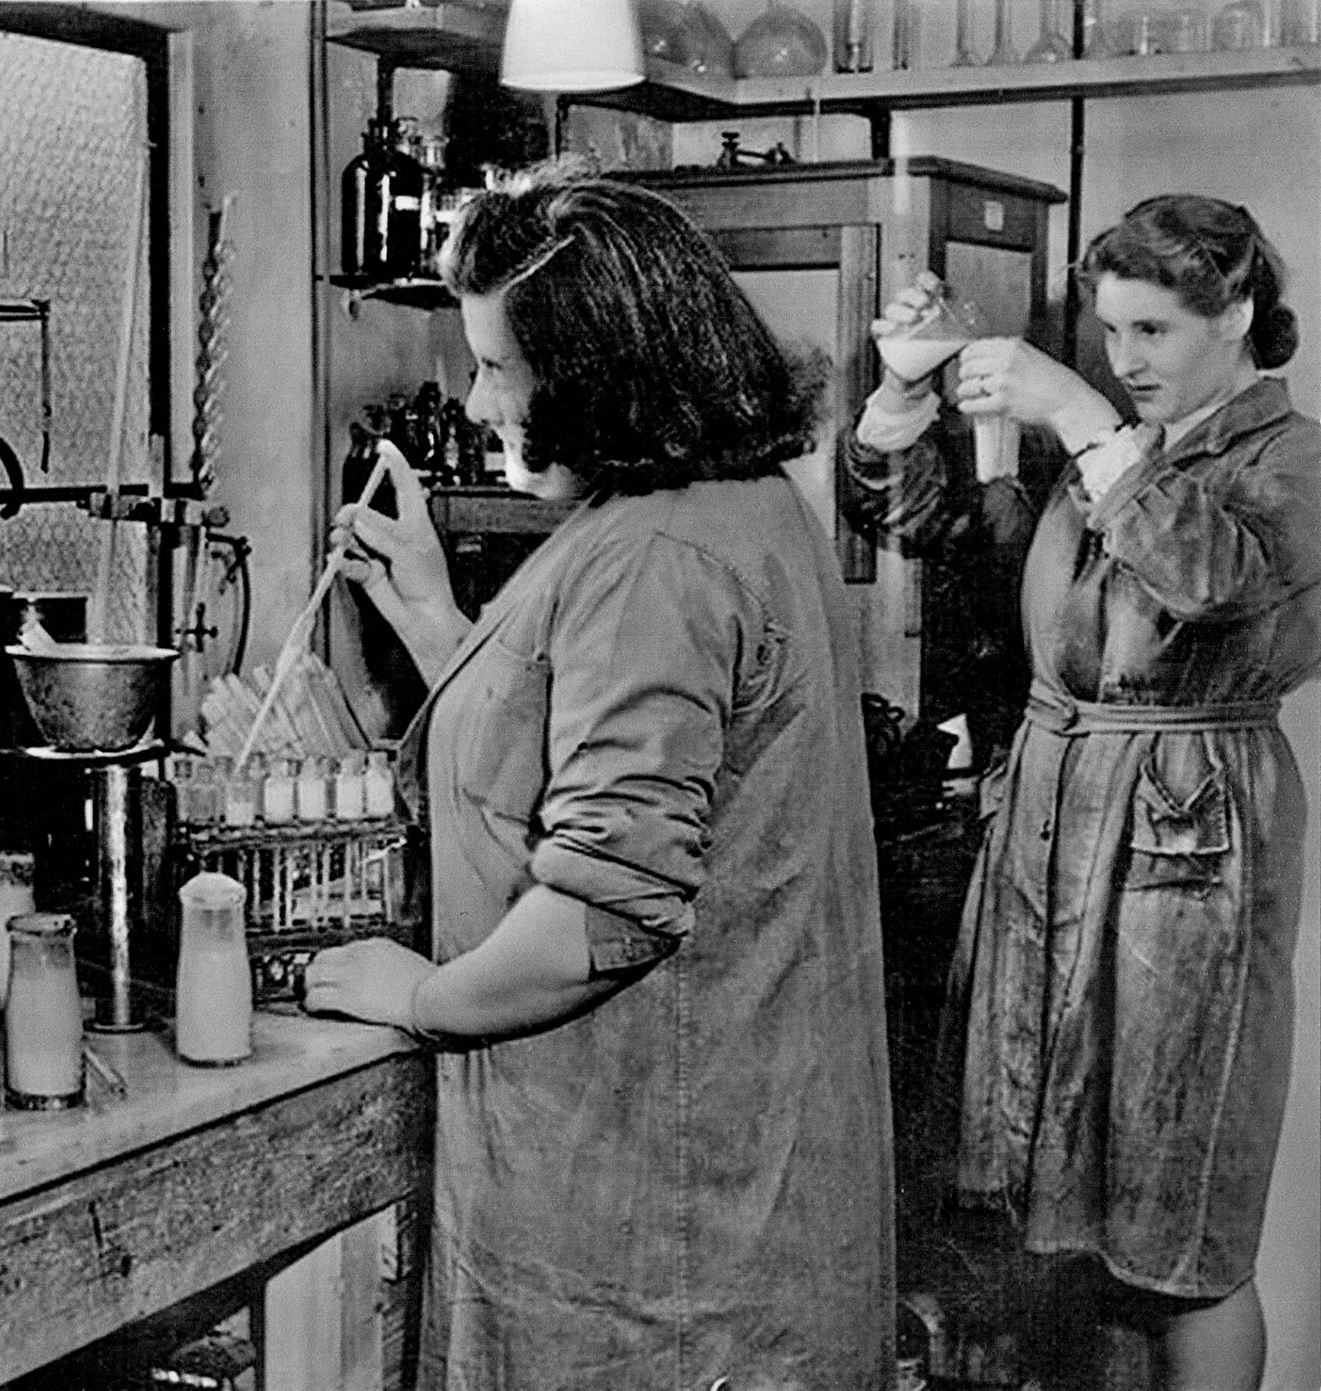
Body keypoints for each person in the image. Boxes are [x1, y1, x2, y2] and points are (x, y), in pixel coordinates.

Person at [302, 166, 895, 1389]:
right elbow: (565, 721)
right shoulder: (718, 505)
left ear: (595, 376)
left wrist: (421, 993)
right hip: (715, 1184)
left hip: (654, 1234)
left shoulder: (659, 556)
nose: (476, 401)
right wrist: (425, 604)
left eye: (499, 368)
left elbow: (605, 913)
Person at [850, 194, 1321, 1389]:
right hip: (1052, 822)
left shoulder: (1297, 458)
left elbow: (1209, 577)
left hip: (1189, 847)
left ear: (1242, 316)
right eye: (1109, 333)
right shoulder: (1108, 451)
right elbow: (952, 540)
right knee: (1054, 1222)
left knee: (1182, 1230)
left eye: (1154, 331)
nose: (1124, 360)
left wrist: (1079, 410)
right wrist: (901, 398)